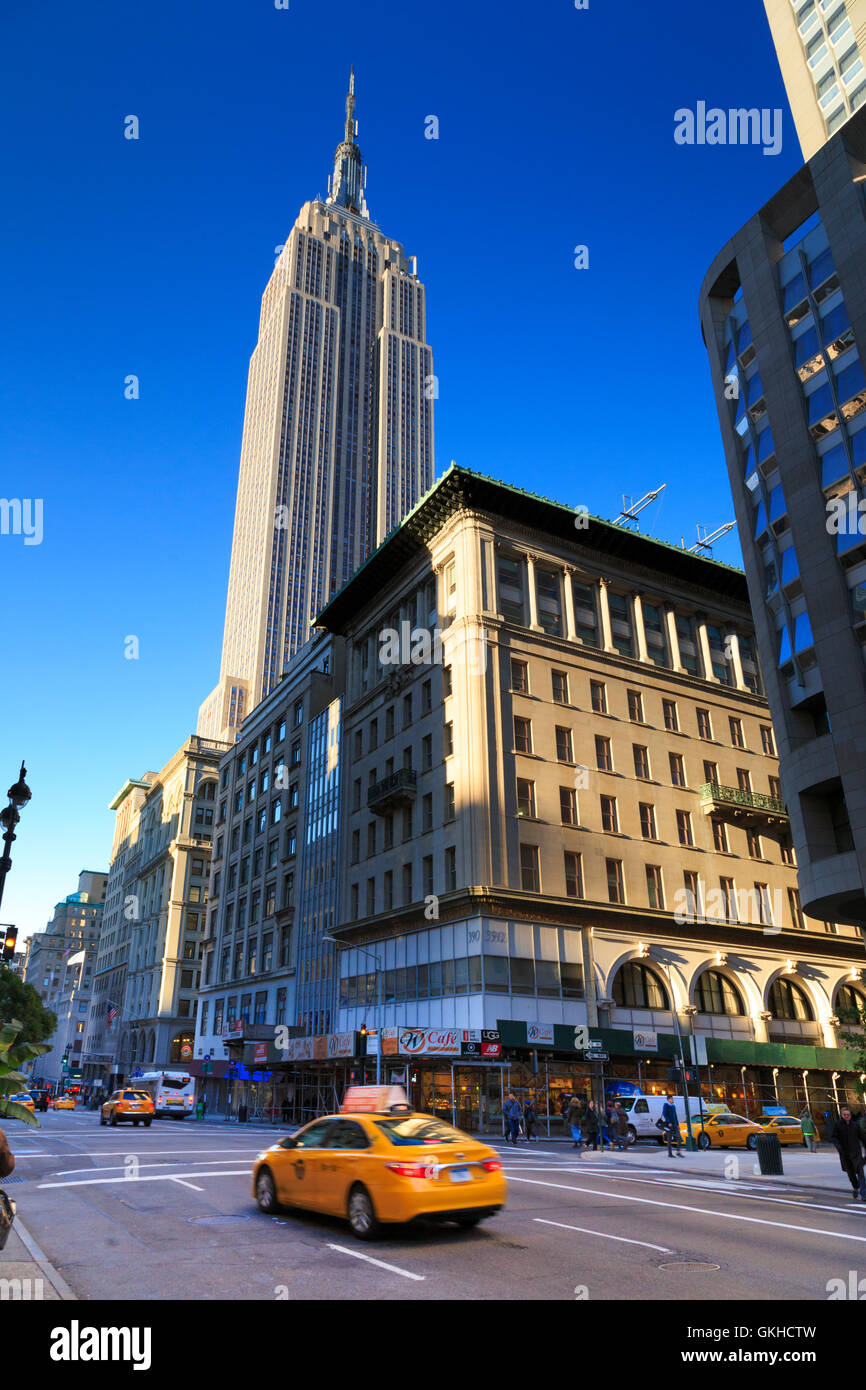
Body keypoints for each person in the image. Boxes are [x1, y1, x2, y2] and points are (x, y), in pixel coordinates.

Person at [831, 1106, 866, 1200]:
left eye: (848, 1115)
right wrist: (839, 1148)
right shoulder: (837, 1125)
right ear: (841, 1115)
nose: (847, 1116)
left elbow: (862, 1138)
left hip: (856, 1154)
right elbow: (834, 1137)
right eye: (845, 1115)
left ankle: (864, 1194)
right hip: (845, 1155)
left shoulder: (855, 1125)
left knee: (861, 1173)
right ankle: (856, 1187)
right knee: (851, 1174)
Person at [662, 1093, 682, 1157]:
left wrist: (677, 1124)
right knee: (669, 1139)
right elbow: (664, 1114)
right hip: (669, 1125)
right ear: (668, 1099)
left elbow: (675, 1116)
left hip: (675, 1124)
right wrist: (669, 1122)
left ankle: (678, 1152)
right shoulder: (666, 1105)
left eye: (673, 1098)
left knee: (679, 1137)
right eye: (672, 1098)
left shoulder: (673, 1106)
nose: (673, 1099)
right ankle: (670, 1154)